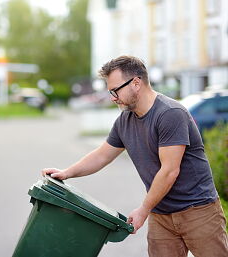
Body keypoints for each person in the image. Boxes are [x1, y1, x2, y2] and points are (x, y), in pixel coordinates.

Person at [42, 55, 228, 257]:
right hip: (161, 214)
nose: (113, 97)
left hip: (198, 211)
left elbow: (169, 171)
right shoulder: (125, 119)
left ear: (136, 83)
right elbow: (102, 155)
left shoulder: (169, 113)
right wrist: (67, 173)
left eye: (115, 90)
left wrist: (143, 210)